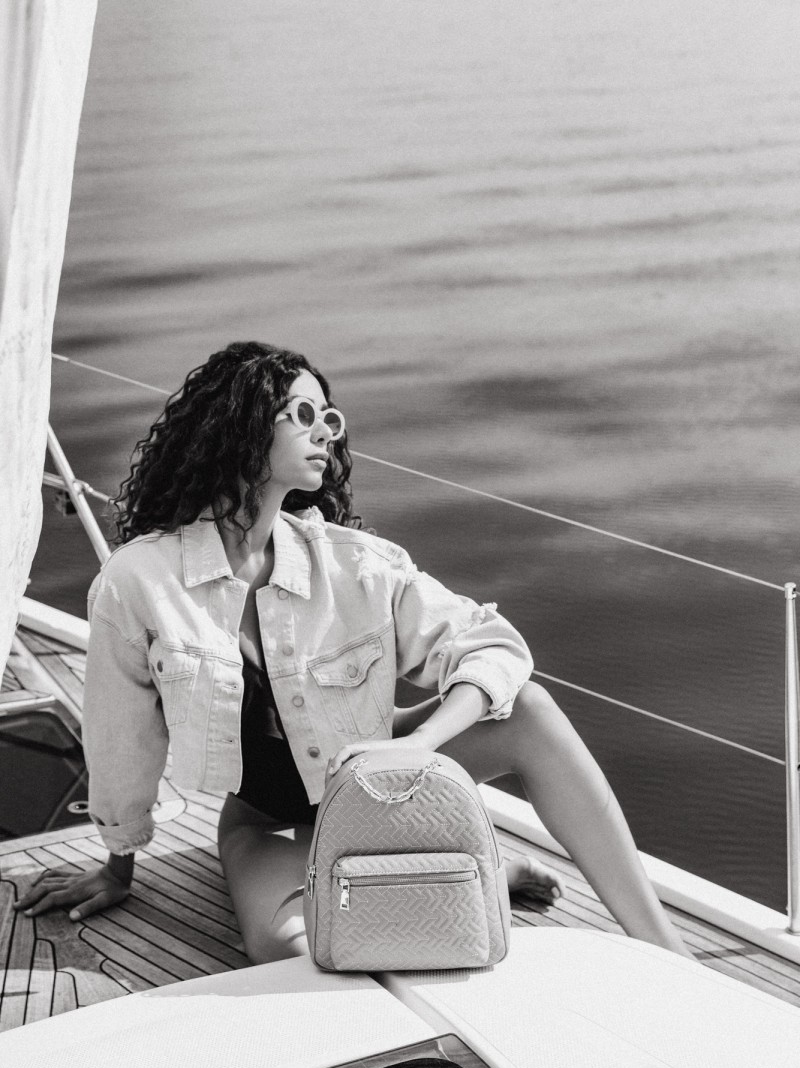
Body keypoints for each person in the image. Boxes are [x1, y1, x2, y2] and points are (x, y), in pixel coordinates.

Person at [15, 341, 687, 961]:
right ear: (241, 425)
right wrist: (117, 868)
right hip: (269, 825)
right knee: (293, 952)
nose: (325, 434)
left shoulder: (356, 563)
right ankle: (470, 873)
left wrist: (419, 745)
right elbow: (120, 738)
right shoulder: (139, 582)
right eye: (304, 414)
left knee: (531, 710)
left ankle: (665, 949)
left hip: (385, 788)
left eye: (329, 419)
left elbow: (491, 647)